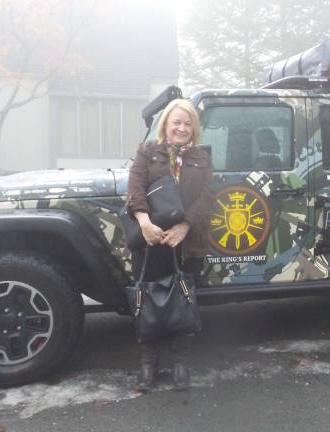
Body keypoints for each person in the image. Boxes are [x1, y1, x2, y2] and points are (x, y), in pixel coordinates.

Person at [126, 99, 214, 391]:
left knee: (183, 304)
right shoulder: (148, 152)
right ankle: (149, 366)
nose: (182, 128)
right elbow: (134, 189)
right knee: (147, 304)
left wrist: (184, 226)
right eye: (177, 122)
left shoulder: (202, 157)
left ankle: (180, 365)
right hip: (151, 243)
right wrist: (144, 223)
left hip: (187, 244)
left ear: (194, 129)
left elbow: (207, 197)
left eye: (188, 124)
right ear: (165, 123)